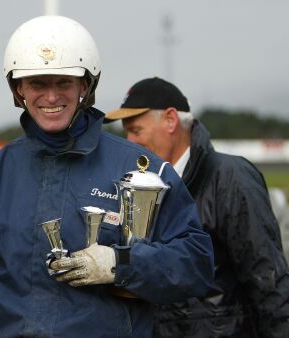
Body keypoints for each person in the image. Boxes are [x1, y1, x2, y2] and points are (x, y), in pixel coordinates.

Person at [0, 16, 215, 337]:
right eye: (37, 83)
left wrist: (120, 263)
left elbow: (196, 264)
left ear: (85, 86)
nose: (50, 96)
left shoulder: (144, 170)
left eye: (63, 82)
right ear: (18, 89)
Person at [105, 77, 289, 338]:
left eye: (136, 130)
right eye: (127, 133)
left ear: (170, 120)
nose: (130, 142)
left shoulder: (231, 178)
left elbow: (268, 280)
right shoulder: (139, 185)